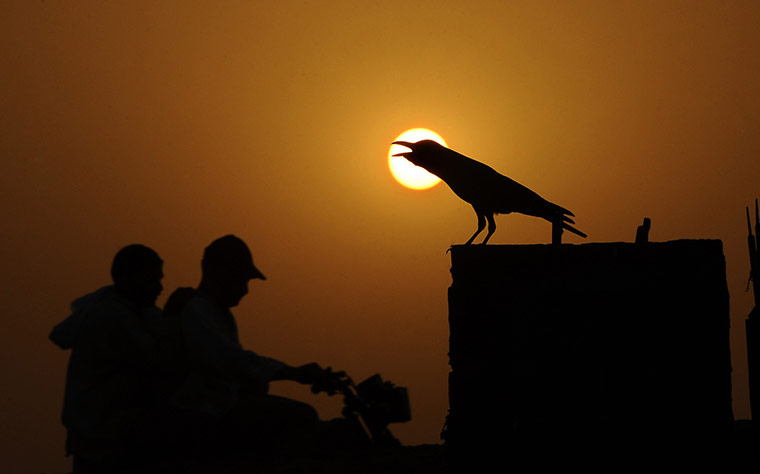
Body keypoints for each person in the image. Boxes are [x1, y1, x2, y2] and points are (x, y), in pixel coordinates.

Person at [164, 235, 339, 462]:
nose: (245, 290)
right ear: (220, 272)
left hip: (218, 407)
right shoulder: (196, 309)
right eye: (242, 279)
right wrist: (294, 373)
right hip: (201, 412)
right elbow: (231, 361)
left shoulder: (220, 314)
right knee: (302, 417)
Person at [50, 244, 166, 473]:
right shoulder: (111, 316)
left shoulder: (128, 311)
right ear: (128, 279)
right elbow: (159, 360)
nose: (159, 288)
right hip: (104, 443)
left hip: (101, 440)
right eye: (151, 280)